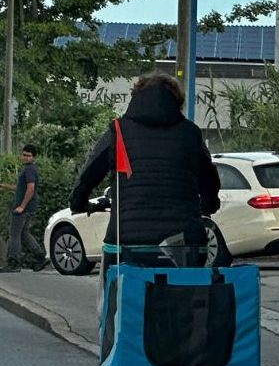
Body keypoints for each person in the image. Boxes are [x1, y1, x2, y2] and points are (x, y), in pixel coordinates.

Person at [69, 73, 220, 288]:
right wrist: (210, 204)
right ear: (177, 101)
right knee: (186, 303)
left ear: (135, 97)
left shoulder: (119, 131)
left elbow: (89, 173)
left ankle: (115, 320)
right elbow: (209, 178)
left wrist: (78, 202)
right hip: (184, 243)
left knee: (116, 303)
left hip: (127, 244)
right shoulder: (190, 133)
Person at [1, 144, 47, 272]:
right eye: (24, 155)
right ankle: (39, 257)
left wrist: (22, 206)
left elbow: (31, 188)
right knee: (24, 233)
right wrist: (4, 186)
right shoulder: (28, 169)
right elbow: (21, 188)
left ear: (33, 157)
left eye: (29, 155)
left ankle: (14, 262)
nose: (26, 157)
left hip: (24, 207)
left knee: (14, 234)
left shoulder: (29, 170)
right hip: (29, 206)